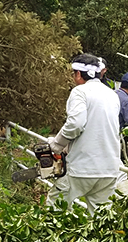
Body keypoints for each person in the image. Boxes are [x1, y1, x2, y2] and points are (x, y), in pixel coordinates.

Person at [46, 53, 122, 215]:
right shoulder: (112, 95)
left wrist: (57, 145)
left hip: (83, 168)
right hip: (109, 169)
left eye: (74, 73)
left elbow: (75, 124)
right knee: (101, 219)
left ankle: (54, 240)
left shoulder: (80, 91)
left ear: (79, 74)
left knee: (55, 208)